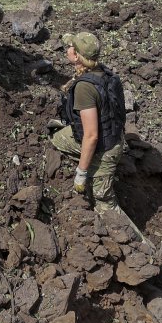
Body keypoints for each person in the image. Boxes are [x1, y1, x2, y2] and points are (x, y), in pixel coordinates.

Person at [50, 32, 127, 214]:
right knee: (57, 137)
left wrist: (81, 173)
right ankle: (90, 162)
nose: (67, 49)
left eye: (70, 47)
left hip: (105, 149)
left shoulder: (85, 87)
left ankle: (137, 242)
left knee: (105, 204)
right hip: (114, 135)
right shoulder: (103, 72)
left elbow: (91, 136)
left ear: (76, 55)